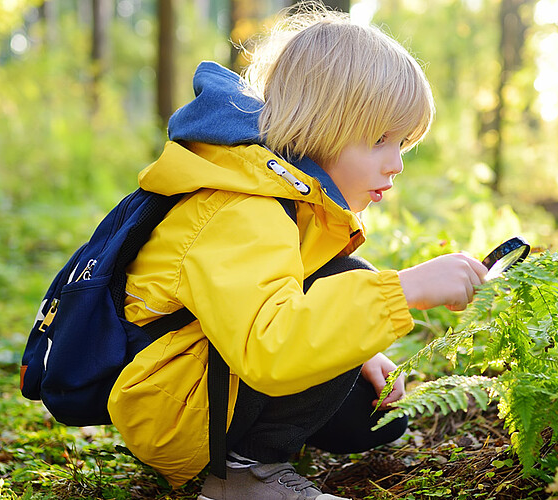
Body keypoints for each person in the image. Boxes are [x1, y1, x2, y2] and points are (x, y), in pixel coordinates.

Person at [107, 5, 488, 500]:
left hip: (204, 384)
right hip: (172, 408)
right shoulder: (243, 207)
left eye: (403, 143)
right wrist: (405, 290)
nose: (396, 164)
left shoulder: (287, 197)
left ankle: (257, 450)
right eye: (379, 140)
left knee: (370, 418)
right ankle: (242, 478)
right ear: (320, 124)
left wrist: (360, 348)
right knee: (349, 279)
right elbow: (272, 343)